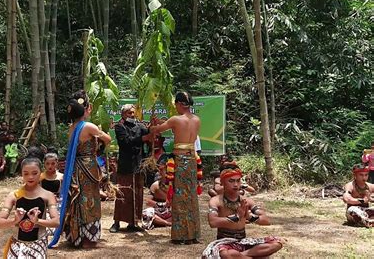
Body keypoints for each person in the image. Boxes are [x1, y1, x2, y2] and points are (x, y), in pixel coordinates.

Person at [49, 90, 111, 249]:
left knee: (77, 200)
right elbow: (108, 140)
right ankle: (88, 239)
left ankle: (75, 236)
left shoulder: (72, 127)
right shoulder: (89, 126)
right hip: (88, 167)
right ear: (86, 109)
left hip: (76, 168)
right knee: (89, 200)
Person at [149, 91, 202, 244]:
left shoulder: (175, 120)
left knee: (179, 196)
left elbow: (158, 130)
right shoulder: (196, 120)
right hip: (192, 159)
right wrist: (160, 122)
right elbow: (175, 127)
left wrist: (153, 126)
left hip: (180, 159)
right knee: (191, 196)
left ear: (179, 104)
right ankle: (192, 234)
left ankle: (181, 235)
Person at [202, 167, 284, 258]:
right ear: (223, 183)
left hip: (243, 242)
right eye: (231, 181)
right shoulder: (216, 201)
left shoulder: (247, 201)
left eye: (238, 181)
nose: (235, 184)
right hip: (225, 242)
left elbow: (266, 220)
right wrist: (237, 216)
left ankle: (242, 256)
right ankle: (253, 256)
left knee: (277, 243)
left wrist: (250, 217)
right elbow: (213, 222)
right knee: (226, 254)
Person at [0, 157, 59, 258]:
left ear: (41, 173)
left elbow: (56, 223)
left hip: (38, 244)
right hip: (17, 244)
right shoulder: (14, 195)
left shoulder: (48, 195)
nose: (30, 177)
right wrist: (14, 221)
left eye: (34, 173)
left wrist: (37, 221)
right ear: (21, 174)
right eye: (26, 173)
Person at [110, 104, 151, 233]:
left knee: (137, 194)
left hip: (138, 165)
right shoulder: (119, 127)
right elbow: (126, 142)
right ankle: (116, 223)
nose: (132, 115)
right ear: (123, 114)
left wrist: (153, 127)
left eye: (133, 113)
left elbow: (150, 134)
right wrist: (143, 138)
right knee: (123, 193)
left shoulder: (140, 126)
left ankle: (133, 222)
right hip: (125, 165)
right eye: (129, 113)